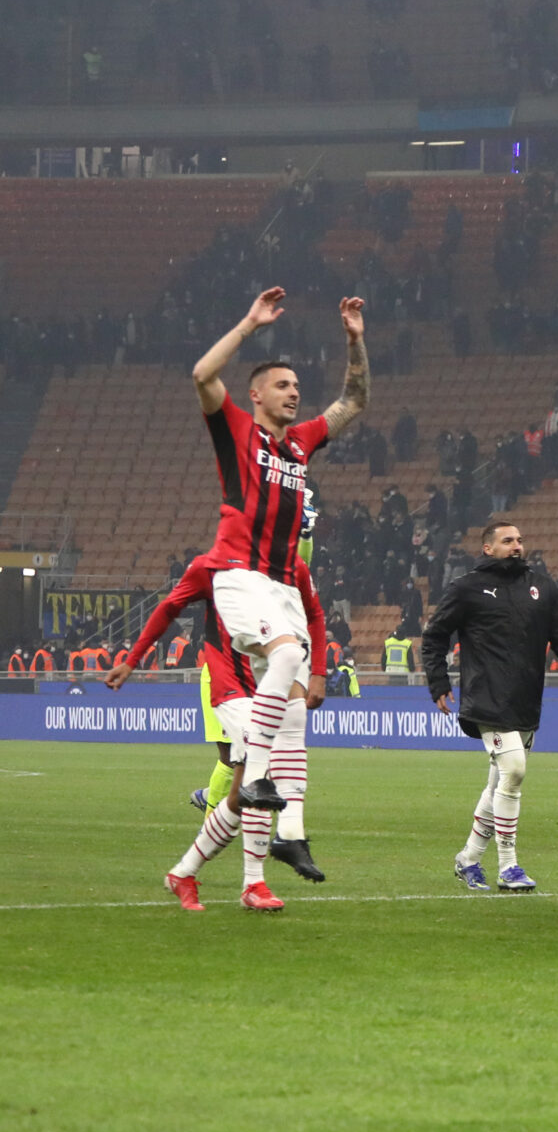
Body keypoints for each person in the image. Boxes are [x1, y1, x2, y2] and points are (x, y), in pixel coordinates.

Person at [190, 286, 368, 814]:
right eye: (283, 385)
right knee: (281, 677)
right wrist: (250, 324)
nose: (294, 393)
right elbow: (202, 375)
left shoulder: (301, 442)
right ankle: (257, 780)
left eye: (297, 387)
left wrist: (354, 341)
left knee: (290, 726)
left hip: (279, 588)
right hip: (241, 579)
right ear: (256, 395)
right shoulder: (237, 430)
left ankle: (272, 831)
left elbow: (353, 402)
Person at [113, 552, 328, 910]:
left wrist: (317, 671)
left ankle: (184, 872)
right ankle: (253, 884)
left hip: (268, 685)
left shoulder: (290, 564)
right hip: (229, 686)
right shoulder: (211, 566)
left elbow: (314, 615)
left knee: (242, 793)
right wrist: (132, 659)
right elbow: (168, 607)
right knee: (261, 777)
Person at [421, 520, 558, 893]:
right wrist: (438, 681)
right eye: (507, 541)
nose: (517, 546)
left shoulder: (541, 587)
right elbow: (435, 635)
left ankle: (468, 858)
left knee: (500, 781)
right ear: (488, 548)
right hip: (486, 697)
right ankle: (508, 866)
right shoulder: (467, 588)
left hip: (525, 698)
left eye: (519, 540)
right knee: (514, 771)